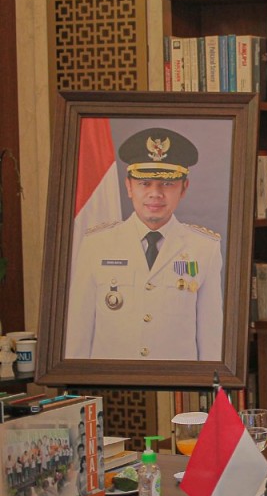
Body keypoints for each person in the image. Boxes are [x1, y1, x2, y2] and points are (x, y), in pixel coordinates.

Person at [65, 127, 223, 361]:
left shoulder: (204, 249)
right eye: (145, 183)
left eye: (167, 184)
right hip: (113, 380)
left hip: (177, 381)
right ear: (129, 187)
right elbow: (78, 334)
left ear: (184, 188)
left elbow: (211, 340)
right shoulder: (96, 245)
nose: (155, 193)